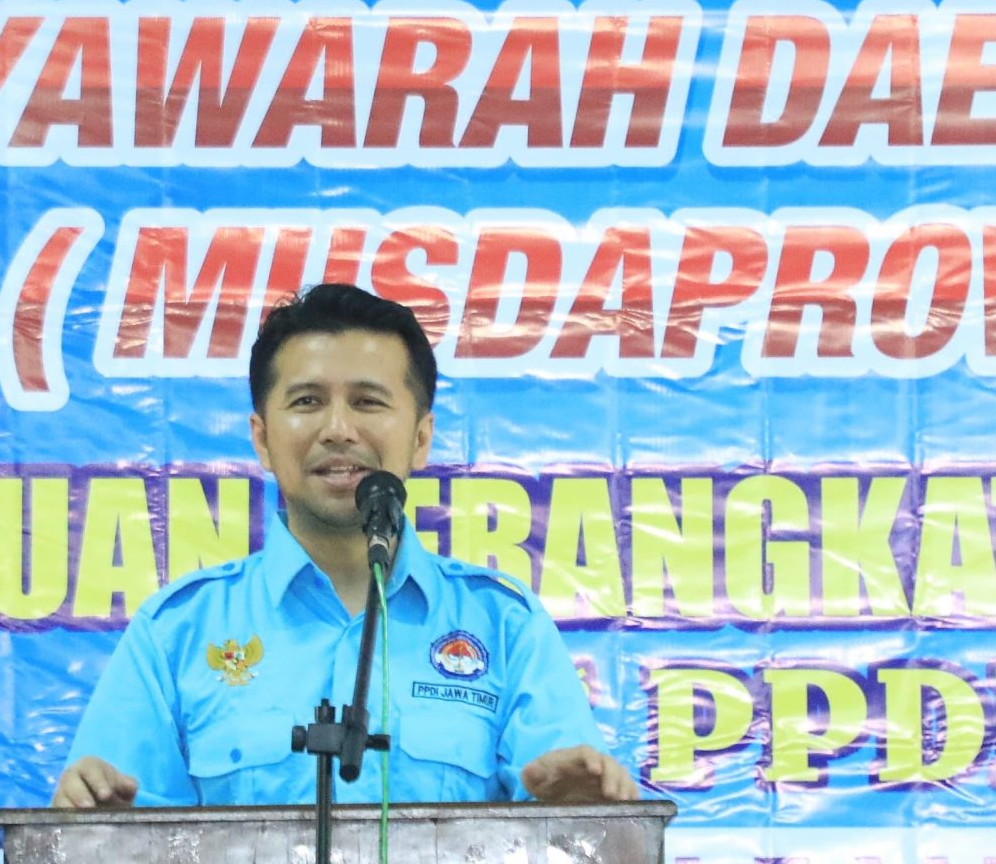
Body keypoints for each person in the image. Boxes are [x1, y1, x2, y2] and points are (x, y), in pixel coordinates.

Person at [53, 283, 637, 809]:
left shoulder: (504, 627)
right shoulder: (178, 631)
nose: (337, 429)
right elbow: (122, 852)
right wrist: (93, 828)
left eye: (368, 402)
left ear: (421, 438)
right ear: (262, 438)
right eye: (307, 402)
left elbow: (572, 839)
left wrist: (584, 812)